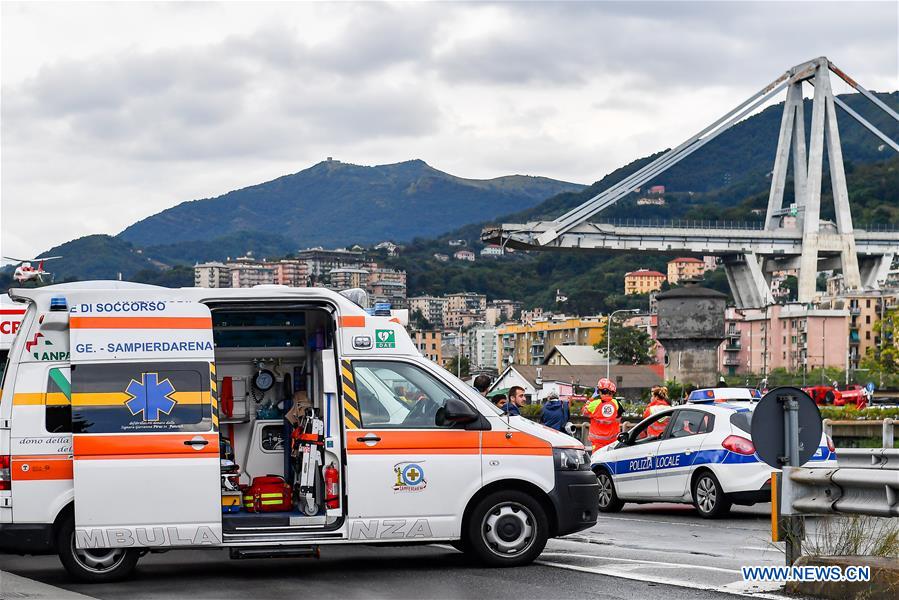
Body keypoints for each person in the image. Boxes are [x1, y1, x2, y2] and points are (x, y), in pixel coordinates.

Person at [582, 378, 621, 451]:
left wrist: (591, 398)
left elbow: (584, 411)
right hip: (612, 442)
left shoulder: (594, 404)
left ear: (599, 391)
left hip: (597, 443)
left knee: (597, 460)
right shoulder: (617, 404)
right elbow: (618, 418)